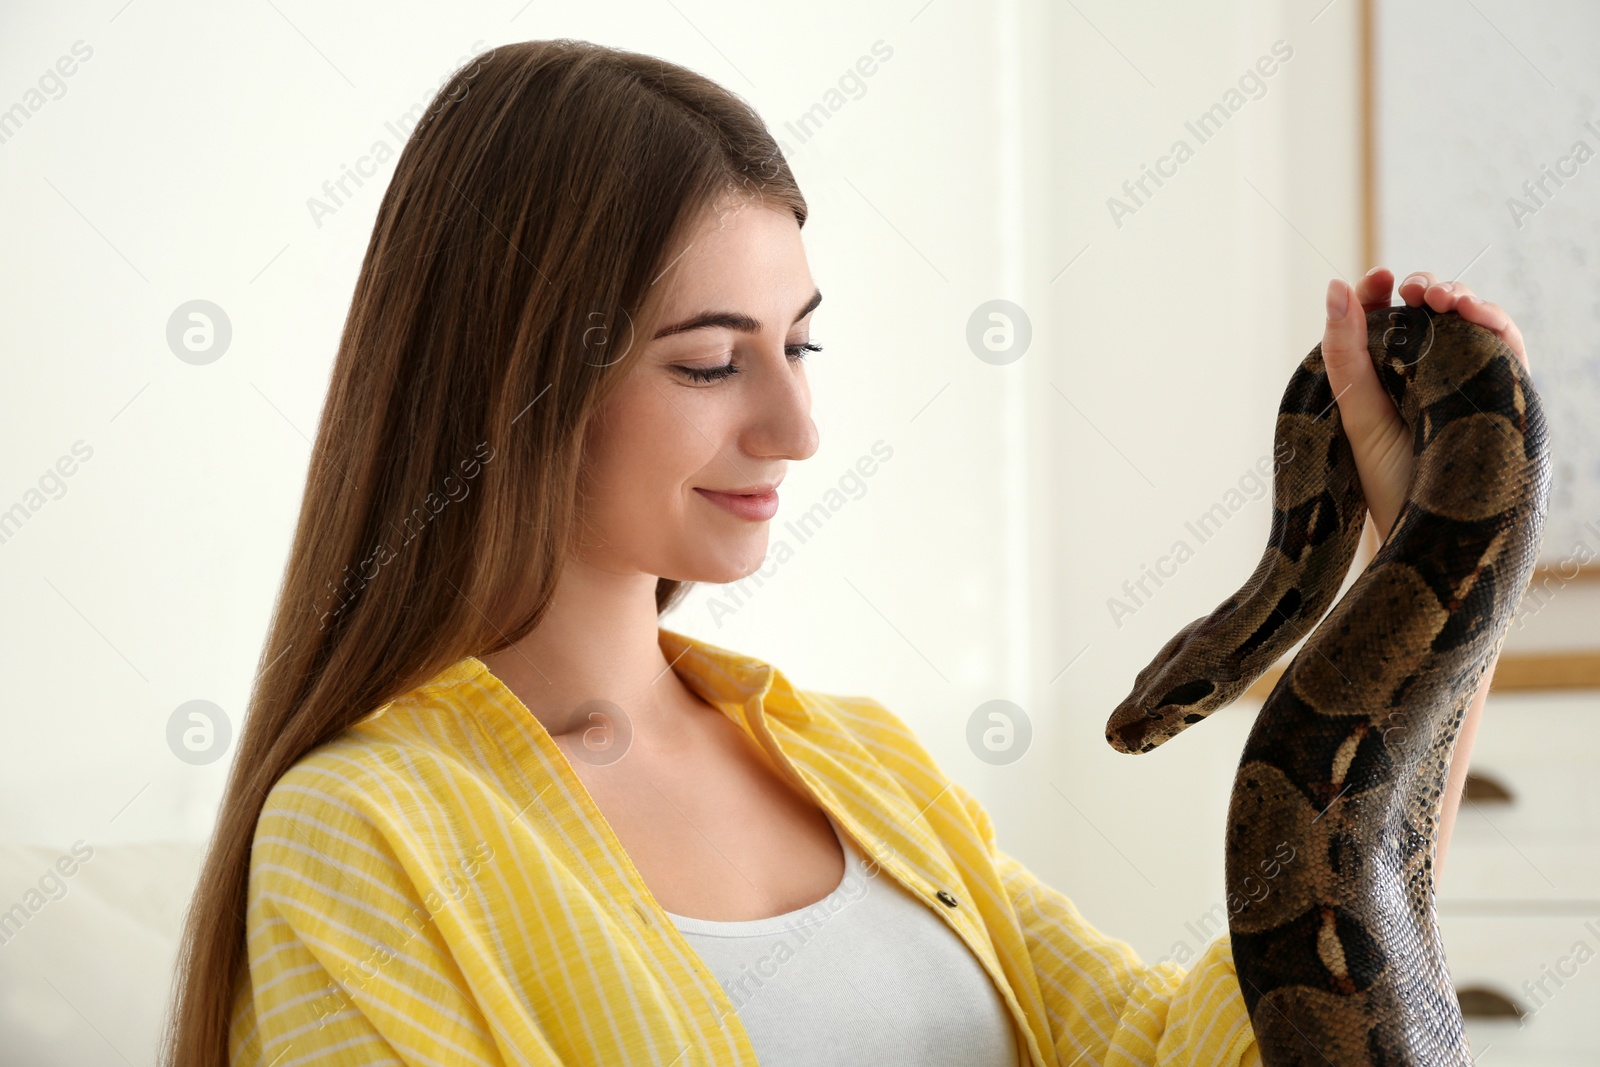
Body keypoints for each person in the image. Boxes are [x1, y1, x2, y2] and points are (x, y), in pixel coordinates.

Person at [159, 37, 1530, 1067]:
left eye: (802, 345)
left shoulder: (864, 765)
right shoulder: (363, 839)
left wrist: (1429, 558)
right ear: (506, 384)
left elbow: (1191, 1050)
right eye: (710, 363)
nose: (798, 426)